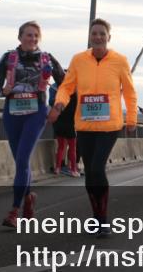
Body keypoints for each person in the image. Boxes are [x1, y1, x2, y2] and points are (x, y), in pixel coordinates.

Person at [50, 18, 137, 235]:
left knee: (98, 168)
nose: (98, 37)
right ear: (89, 37)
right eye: (94, 33)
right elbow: (66, 87)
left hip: (110, 126)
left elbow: (129, 92)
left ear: (109, 37)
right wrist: (59, 104)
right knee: (90, 173)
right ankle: (96, 216)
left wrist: (132, 119)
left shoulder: (120, 61)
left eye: (102, 33)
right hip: (85, 125)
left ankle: (103, 220)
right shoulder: (78, 60)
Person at [0, 21, 65, 228]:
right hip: (12, 113)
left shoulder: (47, 59)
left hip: (36, 113)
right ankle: (29, 197)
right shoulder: (8, 58)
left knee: (22, 158)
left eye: (36, 35)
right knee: (21, 162)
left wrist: (57, 107)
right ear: (20, 37)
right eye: (28, 35)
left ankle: (14, 211)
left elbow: (66, 84)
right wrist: (2, 91)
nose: (32, 39)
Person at [49, 86, 78, 176]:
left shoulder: (59, 98)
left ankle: (57, 168)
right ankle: (73, 170)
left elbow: (53, 106)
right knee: (72, 148)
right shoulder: (74, 99)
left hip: (59, 125)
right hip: (70, 125)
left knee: (60, 147)